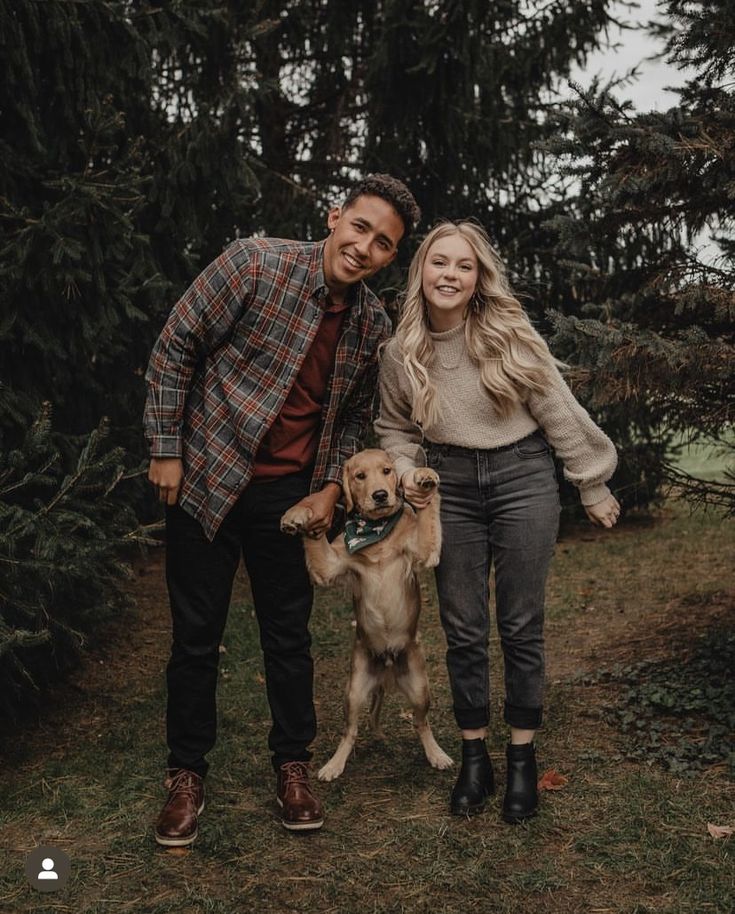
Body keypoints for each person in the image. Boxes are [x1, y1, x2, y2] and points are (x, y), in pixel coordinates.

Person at [144, 174, 420, 844]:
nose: (364, 248)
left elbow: (353, 411)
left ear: (389, 259)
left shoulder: (370, 326)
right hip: (206, 475)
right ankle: (186, 775)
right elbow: (176, 344)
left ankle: (293, 766)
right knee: (195, 637)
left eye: (382, 244)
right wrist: (165, 448)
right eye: (360, 228)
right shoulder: (254, 263)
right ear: (335, 218)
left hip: (288, 496)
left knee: (288, 637)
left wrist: (328, 486)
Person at [375, 220, 619, 823]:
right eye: (440, 263)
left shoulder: (509, 334)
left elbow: (556, 408)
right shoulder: (401, 351)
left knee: (520, 624)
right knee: (462, 627)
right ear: (421, 272)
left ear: (478, 277)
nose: (450, 275)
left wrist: (590, 480)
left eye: (463, 265)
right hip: (447, 488)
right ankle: (474, 757)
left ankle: (521, 760)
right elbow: (395, 429)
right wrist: (406, 469)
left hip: (522, 477)